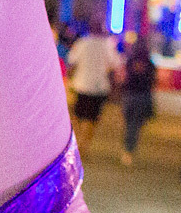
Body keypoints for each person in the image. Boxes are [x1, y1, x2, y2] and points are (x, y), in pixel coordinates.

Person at [64, 23, 122, 155]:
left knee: (78, 116)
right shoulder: (107, 45)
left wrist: (69, 81)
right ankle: (84, 143)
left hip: (81, 85)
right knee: (92, 118)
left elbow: (72, 63)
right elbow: (115, 64)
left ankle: (79, 142)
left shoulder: (82, 43)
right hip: (99, 87)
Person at [118, 34, 157, 167]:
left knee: (129, 124)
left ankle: (127, 149)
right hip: (142, 97)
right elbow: (153, 82)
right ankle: (129, 149)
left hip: (129, 96)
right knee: (135, 125)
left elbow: (123, 77)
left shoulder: (130, 61)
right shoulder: (150, 64)